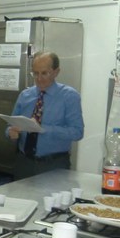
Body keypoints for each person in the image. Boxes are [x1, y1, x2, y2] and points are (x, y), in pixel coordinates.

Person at [6, 51, 84, 180]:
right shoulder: (25, 95)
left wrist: (42, 129)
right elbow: (10, 125)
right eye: (35, 73)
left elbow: (77, 132)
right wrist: (10, 133)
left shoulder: (69, 96)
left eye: (44, 73)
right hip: (24, 162)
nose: (39, 78)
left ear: (56, 72)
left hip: (54, 164)